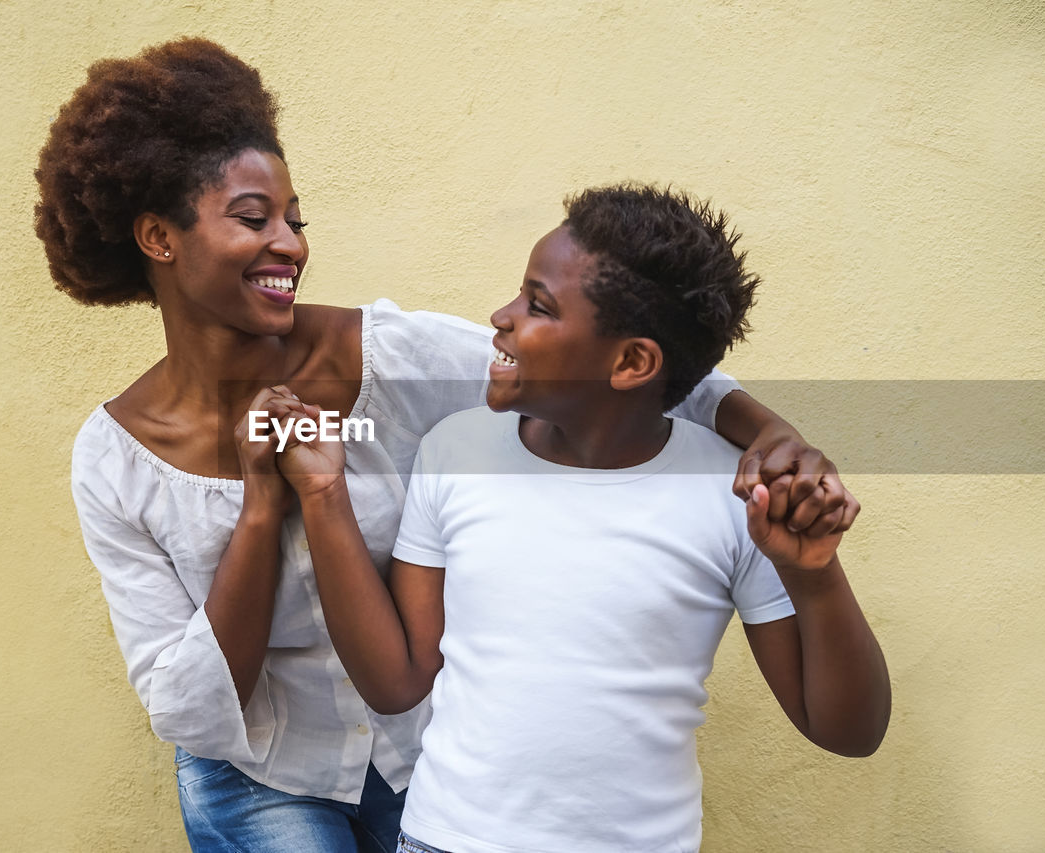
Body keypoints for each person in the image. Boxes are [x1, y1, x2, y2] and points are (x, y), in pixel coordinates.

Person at [34, 38, 863, 853]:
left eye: (295, 218)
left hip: (416, 752)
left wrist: (776, 437)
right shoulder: (117, 459)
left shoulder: (398, 362)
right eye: (254, 219)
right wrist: (262, 510)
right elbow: (191, 710)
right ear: (158, 238)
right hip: (263, 774)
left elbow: (640, 374)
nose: (290, 242)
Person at [277, 184, 891, 853]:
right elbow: (396, 683)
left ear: (630, 362)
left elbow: (848, 731)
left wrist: (817, 575)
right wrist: (322, 495)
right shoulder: (455, 451)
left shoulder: (734, 492)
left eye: (537, 305)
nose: (502, 316)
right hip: (447, 839)